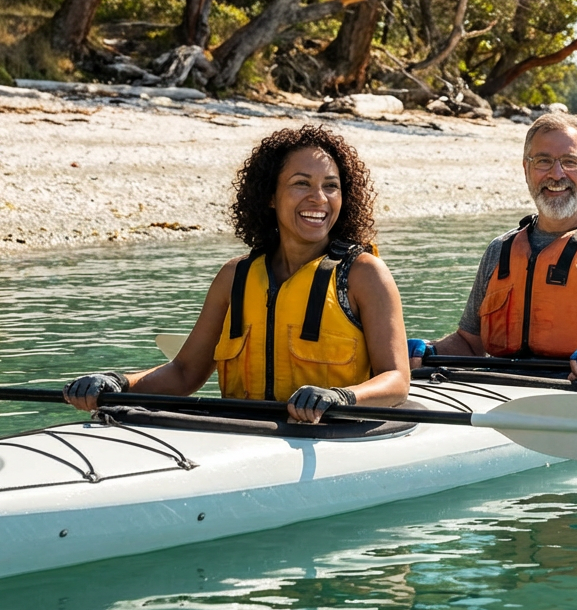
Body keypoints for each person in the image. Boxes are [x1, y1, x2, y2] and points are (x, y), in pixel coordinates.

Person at [63, 125, 410, 423]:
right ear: (270, 196)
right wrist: (119, 383)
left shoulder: (364, 274)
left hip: (334, 435)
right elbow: (184, 373)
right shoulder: (235, 277)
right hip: (242, 434)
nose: (318, 198)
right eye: (301, 184)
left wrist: (340, 397)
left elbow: (396, 380)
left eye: (331, 186)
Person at [409, 113, 577, 381]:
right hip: (502, 390)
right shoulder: (499, 249)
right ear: (526, 169)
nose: (557, 174)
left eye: (570, 161)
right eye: (543, 161)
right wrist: (431, 350)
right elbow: (469, 344)